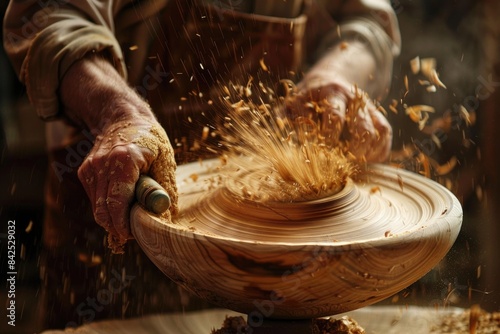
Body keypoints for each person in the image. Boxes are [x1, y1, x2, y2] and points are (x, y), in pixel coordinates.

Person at [3, 0, 400, 330]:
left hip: (267, 258)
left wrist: (334, 74)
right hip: (120, 223)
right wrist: (116, 112)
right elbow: (47, 13)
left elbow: (366, 21)